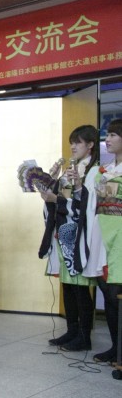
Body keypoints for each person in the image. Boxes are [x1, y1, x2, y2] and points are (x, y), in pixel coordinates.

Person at [38, 125, 99, 351]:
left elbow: (88, 206)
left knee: (81, 287)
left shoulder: (94, 172)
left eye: (78, 142)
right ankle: (72, 330)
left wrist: (58, 200)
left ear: (91, 144)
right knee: (68, 285)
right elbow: (61, 199)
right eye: (72, 142)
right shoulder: (71, 169)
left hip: (80, 236)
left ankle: (85, 336)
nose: (73, 146)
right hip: (65, 234)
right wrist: (51, 183)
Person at [84, 119, 122, 364]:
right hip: (102, 231)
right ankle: (114, 346)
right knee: (107, 291)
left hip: (119, 234)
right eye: (107, 135)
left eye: (113, 134)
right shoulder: (106, 168)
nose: (107, 139)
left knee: (118, 292)